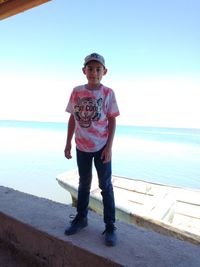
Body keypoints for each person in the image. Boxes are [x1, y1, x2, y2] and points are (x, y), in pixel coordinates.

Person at [64, 52, 120, 246]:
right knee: (84, 183)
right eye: (90, 69)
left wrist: (109, 147)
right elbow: (72, 117)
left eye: (98, 69)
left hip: (101, 147)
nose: (94, 73)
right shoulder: (76, 91)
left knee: (105, 186)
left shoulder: (108, 93)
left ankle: (110, 226)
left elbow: (112, 120)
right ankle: (81, 219)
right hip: (81, 147)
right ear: (84, 71)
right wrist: (68, 142)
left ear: (104, 71)